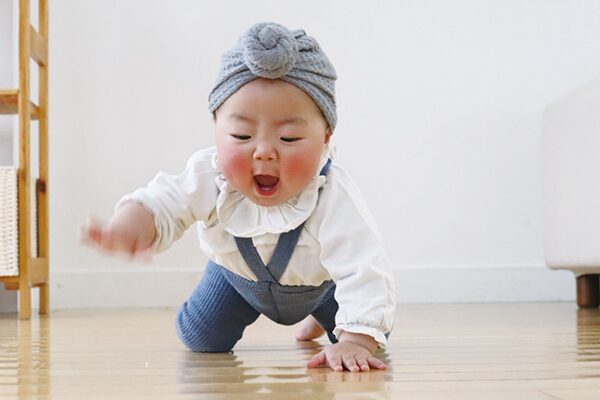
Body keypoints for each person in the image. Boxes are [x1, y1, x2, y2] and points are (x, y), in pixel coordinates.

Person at [81, 22, 395, 373]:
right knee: (199, 338)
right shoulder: (208, 175)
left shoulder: (333, 194)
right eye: (241, 135)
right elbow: (167, 199)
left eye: (289, 138)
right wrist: (135, 222)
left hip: (321, 286)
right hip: (236, 277)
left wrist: (355, 338)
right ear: (216, 128)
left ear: (325, 137)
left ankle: (324, 318)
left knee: (363, 330)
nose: (263, 152)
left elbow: (363, 266)